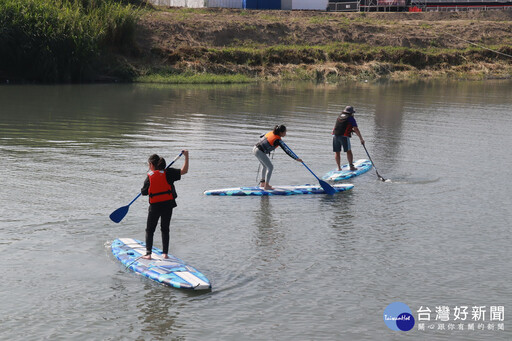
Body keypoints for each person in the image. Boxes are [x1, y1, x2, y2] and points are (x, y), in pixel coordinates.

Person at [140, 150, 189, 260]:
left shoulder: (150, 177)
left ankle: (148, 254)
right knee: (165, 228)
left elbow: (144, 192)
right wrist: (186, 156)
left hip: (155, 206)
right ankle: (165, 253)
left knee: (150, 230)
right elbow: (184, 171)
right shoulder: (169, 173)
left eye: (149, 164)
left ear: (152, 165)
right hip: (168, 205)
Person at [253, 125, 302, 190]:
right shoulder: (278, 140)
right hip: (260, 152)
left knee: (265, 166)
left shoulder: (271, 133)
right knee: (270, 167)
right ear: (281, 133)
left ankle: (263, 183)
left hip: (254, 149)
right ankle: (266, 186)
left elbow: (262, 136)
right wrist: (296, 158)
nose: (286, 134)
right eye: (285, 132)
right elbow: (286, 150)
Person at [332, 105, 365, 171]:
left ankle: (339, 168)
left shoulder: (340, 116)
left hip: (335, 136)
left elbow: (341, 126)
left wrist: (351, 130)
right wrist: (361, 139)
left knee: (337, 152)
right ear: (351, 113)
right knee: (348, 151)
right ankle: (351, 167)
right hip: (344, 137)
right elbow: (356, 129)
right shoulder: (351, 118)